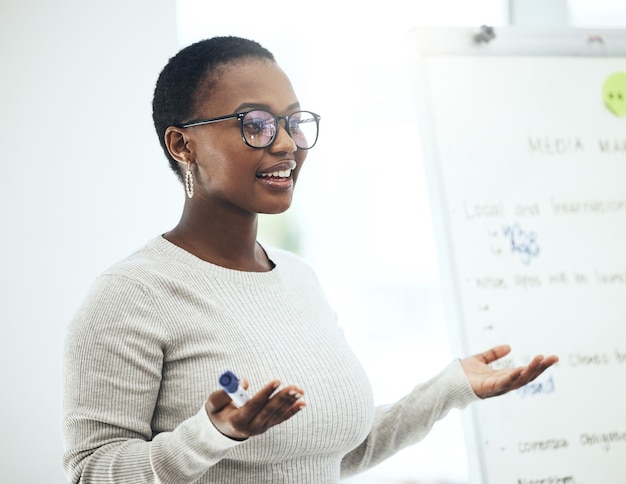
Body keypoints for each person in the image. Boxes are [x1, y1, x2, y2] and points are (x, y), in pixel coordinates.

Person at [61, 36, 558, 483]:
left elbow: (329, 454)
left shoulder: (298, 277)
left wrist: (448, 388)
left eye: (293, 123)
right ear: (182, 144)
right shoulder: (132, 295)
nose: (284, 144)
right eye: (253, 124)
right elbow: (92, 473)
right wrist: (212, 434)